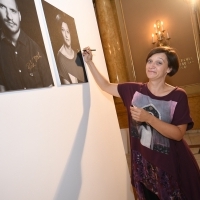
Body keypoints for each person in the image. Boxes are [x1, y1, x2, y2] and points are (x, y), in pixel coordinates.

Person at [82, 46, 200, 200]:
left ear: (169, 69)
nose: (152, 65)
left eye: (159, 63)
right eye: (150, 61)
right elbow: (105, 86)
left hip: (171, 167)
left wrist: (149, 118)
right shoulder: (133, 90)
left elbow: (178, 134)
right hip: (144, 166)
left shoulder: (178, 96)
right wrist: (90, 63)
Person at [0, 0, 53, 92]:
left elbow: (50, 87)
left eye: (13, 10)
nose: (9, 16)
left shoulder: (35, 48)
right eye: (3, 8)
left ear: (19, 16)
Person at [56, 14, 87, 84]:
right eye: (63, 31)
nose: (66, 36)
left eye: (68, 31)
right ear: (59, 32)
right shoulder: (60, 57)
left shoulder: (77, 52)